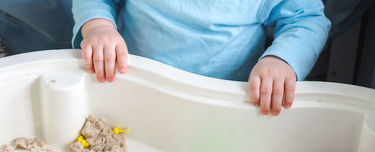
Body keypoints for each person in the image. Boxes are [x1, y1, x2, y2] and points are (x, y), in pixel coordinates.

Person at [72, 0, 330, 116]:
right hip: (133, 89)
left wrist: (280, 59)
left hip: (226, 104)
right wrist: (99, 27)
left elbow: (306, 19)